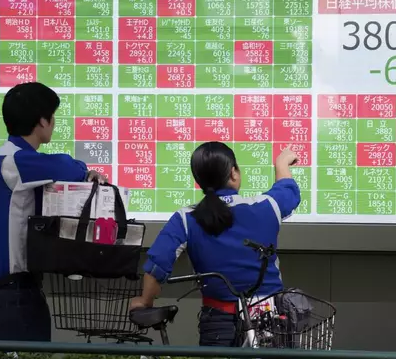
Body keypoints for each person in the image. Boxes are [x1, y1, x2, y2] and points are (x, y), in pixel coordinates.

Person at [129, 141, 301, 346]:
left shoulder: (186, 218)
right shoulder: (266, 206)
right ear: (233, 173)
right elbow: (288, 191)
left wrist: (145, 300)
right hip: (269, 321)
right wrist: (282, 163)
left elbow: (158, 263)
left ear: (199, 180)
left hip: (218, 322)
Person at [0, 82, 106, 341]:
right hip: (12, 293)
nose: (54, 123)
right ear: (42, 121)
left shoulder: (11, 157)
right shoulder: (16, 160)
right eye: (53, 116)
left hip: (12, 291)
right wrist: (85, 171)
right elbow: (66, 166)